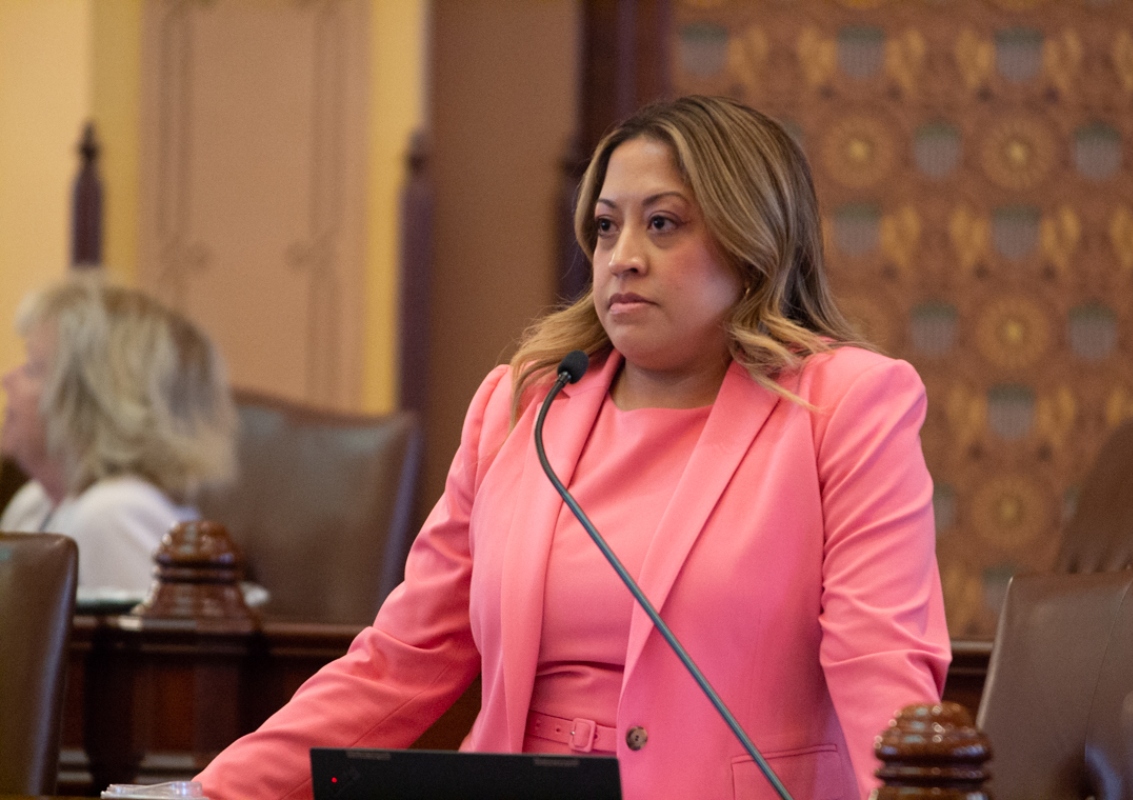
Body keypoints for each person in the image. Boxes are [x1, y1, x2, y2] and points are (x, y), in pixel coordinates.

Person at [195, 95, 950, 800]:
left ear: (754, 243)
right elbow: (400, 662)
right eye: (606, 227)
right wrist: (208, 794)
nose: (622, 257)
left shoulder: (843, 405)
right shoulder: (523, 405)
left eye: (663, 224)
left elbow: (879, 662)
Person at [0, 276, 236, 597]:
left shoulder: (114, 513)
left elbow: (162, 630)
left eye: (33, 368)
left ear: (94, 400)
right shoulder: (33, 504)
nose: (7, 380)